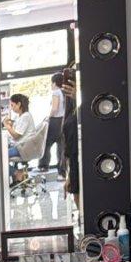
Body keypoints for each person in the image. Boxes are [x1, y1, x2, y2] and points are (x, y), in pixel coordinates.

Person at [2, 93, 45, 163]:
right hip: (19, 145)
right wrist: (10, 124)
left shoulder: (26, 116)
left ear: (19, 104)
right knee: (2, 149)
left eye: (12, 105)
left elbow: (16, 135)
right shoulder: (19, 116)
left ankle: (14, 170)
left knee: (2, 155)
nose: (11, 108)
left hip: (23, 148)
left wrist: (7, 126)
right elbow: (16, 126)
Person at [39, 71, 66, 174]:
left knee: (46, 143)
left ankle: (43, 166)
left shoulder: (56, 92)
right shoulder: (63, 92)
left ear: (54, 83)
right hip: (63, 120)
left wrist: (48, 117)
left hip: (55, 121)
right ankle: (62, 170)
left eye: (51, 83)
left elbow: (54, 108)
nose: (51, 85)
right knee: (61, 146)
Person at [60, 67, 80, 207]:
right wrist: (69, 177)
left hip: (81, 167)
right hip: (75, 167)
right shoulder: (71, 113)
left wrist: (79, 98)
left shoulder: (80, 113)